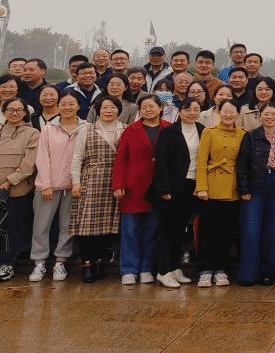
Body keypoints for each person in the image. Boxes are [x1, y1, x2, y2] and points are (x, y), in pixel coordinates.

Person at [0, 97, 39, 282]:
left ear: (25, 113)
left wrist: (11, 181)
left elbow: (29, 163)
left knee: (11, 228)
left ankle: (7, 263)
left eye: (19, 110)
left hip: (18, 190)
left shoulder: (33, 134)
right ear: (3, 112)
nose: (15, 113)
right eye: (10, 110)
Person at [112, 94, 169, 285]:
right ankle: (129, 269)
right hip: (133, 186)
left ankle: (146, 268)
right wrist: (118, 184)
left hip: (158, 187)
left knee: (152, 231)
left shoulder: (168, 128)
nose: (148, 110)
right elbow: (121, 159)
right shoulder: (131, 130)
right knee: (130, 230)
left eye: (152, 106)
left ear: (160, 108)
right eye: (144, 107)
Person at [29, 92, 85, 283]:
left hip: (73, 186)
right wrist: (45, 184)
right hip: (49, 186)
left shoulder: (86, 128)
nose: (67, 108)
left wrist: (78, 182)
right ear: (58, 106)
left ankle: (61, 261)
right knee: (41, 225)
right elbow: (42, 157)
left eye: (71, 104)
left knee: (67, 226)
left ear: (78, 106)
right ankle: (39, 262)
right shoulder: (48, 129)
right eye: (64, 104)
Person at [70, 96, 125, 283]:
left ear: (119, 110)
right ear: (98, 110)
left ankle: (100, 261)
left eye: (113, 107)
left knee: (107, 226)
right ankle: (87, 263)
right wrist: (76, 182)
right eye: (104, 107)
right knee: (88, 226)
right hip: (92, 180)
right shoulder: (86, 129)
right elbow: (77, 158)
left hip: (116, 181)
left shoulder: (125, 129)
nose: (109, 111)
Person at [236, 103, 275, 285]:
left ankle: (271, 272)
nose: (269, 117)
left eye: (273, 114)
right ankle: (249, 274)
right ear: (259, 116)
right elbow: (242, 164)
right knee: (251, 231)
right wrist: (244, 189)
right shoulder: (251, 136)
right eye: (266, 114)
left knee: (273, 231)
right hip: (255, 187)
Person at [152, 97, 204, 287]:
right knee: (167, 229)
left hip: (193, 185)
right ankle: (163, 270)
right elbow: (161, 162)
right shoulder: (169, 132)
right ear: (180, 111)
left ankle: (174, 267)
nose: (191, 113)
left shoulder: (202, 130)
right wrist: (164, 188)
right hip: (173, 187)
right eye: (187, 109)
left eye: (196, 109)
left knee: (181, 229)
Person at [193, 100, 244, 287]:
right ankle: (205, 270)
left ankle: (222, 269)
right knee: (207, 231)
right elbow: (201, 161)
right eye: (225, 111)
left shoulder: (243, 134)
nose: (228, 115)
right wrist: (201, 187)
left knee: (226, 232)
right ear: (218, 113)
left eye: (232, 111)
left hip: (232, 187)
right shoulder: (209, 132)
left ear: (238, 114)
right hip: (211, 185)